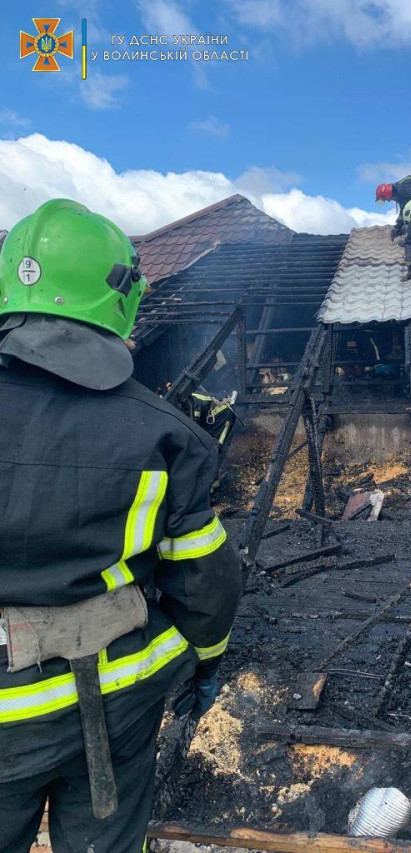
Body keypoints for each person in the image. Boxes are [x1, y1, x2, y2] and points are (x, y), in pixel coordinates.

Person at [0, 199, 243, 853]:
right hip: (113, 703)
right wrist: (207, 662)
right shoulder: (163, 435)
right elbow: (207, 581)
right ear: (122, 298)